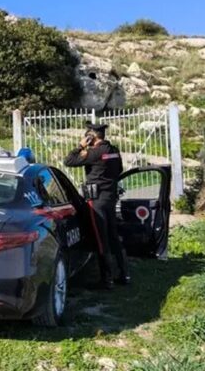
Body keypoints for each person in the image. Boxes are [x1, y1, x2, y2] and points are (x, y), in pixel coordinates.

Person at [64, 122, 130, 289]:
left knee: (101, 239)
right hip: (110, 197)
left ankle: (106, 280)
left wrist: (80, 146)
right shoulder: (114, 151)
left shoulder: (94, 153)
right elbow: (119, 170)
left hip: (97, 201)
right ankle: (124, 274)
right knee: (114, 236)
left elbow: (69, 161)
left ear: (91, 137)